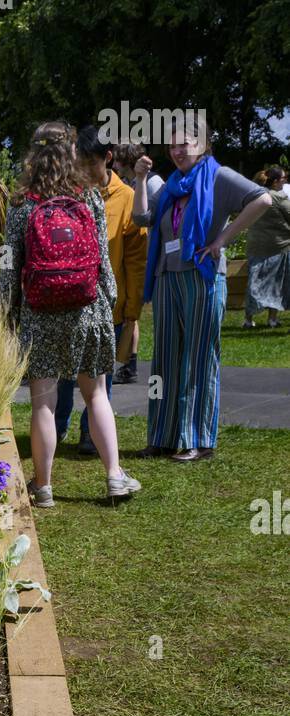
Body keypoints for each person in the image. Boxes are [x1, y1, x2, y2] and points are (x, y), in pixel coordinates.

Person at [0, 120, 140, 507]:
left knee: (43, 401)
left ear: (33, 155)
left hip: (41, 312)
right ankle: (114, 476)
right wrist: (105, 302)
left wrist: (8, 312)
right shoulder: (90, 197)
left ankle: (43, 487)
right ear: (71, 152)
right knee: (96, 395)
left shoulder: (22, 205)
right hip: (87, 308)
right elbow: (104, 266)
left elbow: (9, 264)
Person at [133, 115, 270, 461]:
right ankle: (161, 435)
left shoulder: (218, 176)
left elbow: (262, 200)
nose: (178, 150)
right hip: (167, 277)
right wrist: (139, 178)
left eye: (186, 144)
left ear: (203, 145)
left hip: (202, 276)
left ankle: (196, 438)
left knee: (198, 357)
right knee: (163, 359)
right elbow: (140, 219)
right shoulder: (173, 185)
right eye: (173, 144)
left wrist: (222, 239)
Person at [55, 126, 148, 454]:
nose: (83, 172)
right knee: (66, 372)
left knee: (100, 377)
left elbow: (136, 260)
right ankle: (56, 427)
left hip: (109, 304)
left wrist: (132, 307)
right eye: (78, 164)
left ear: (108, 159)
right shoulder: (70, 193)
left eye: (89, 164)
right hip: (70, 301)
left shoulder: (127, 199)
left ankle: (89, 433)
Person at [111, 142, 165, 382]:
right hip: (139, 252)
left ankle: (130, 363)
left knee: (134, 309)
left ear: (126, 160)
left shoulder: (152, 183)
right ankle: (128, 361)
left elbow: (155, 219)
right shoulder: (130, 184)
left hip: (148, 254)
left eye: (117, 161)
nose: (113, 166)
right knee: (131, 310)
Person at [242, 167, 290, 329]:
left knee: (254, 283)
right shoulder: (278, 197)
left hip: (255, 246)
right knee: (277, 283)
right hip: (277, 246)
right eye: (284, 178)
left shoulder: (253, 195)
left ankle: (248, 319)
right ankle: (272, 319)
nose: (286, 180)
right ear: (276, 181)